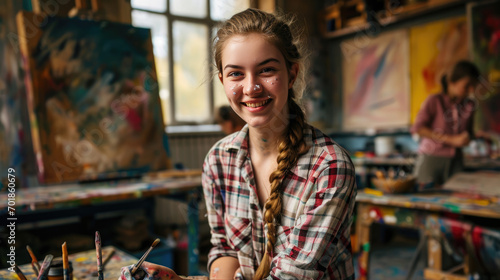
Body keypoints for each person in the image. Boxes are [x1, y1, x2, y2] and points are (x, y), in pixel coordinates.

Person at [119, 8, 357, 280]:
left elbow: (291, 277)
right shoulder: (219, 160)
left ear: (292, 74)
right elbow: (225, 250)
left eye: (266, 70)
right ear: (222, 80)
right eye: (236, 74)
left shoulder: (329, 168)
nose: (251, 87)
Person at [412, 60, 480, 188]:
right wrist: (451, 140)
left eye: (473, 86)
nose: (471, 90)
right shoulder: (434, 101)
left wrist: (469, 138)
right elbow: (418, 129)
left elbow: (470, 132)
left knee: (457, 200)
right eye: (467, 85)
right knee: (426, 200)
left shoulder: (469, 105)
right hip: (431, 157)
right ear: (452, 82)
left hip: (456, 161)